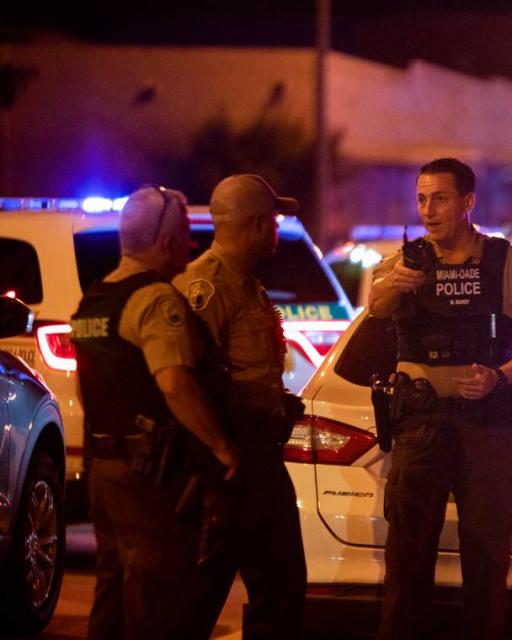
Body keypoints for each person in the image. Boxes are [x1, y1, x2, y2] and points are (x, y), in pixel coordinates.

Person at [369, 157, 512, 640]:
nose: (429, 210)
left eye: (441, 198)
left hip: (485, 428)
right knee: (407, 561)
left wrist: (500, 375)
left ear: (468, 202)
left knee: (487, 563)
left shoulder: (506, 263)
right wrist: (394, 287)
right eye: (422, 199)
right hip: (420, 426)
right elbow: (376, 310)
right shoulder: (403, 263)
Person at [71, 185, 239, 640]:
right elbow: (175, 383)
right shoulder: (156, 299)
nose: (192, 245)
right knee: (156, 600)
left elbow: (85, 386)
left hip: (104, 468)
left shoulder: (95, 298)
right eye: (186, 235)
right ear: (166, 243)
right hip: (148, 478)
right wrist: (223, 447)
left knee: (113, 589)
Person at [172, 174, 307, 639]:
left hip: (256, 454)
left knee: (265, 584)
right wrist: (217, 455)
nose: (277, 227)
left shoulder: (246, 285)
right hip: (233, 458)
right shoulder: (206, 288)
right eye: (272, 219)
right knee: (237, 585)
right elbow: (187, 378)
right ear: (253, 224)